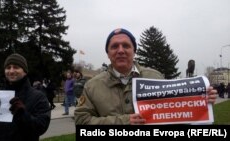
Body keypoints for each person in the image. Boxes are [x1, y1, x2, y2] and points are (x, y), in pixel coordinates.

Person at [74, 28, 217, 125]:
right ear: (108, 53)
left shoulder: (154, 77)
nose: (120, 50)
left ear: (134, 51)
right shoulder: (92, 86)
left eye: (126, 45)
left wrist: (201, 98)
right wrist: (124, 122)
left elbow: (174, 111)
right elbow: (81, 119)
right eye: (114, 46)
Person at [0, 53, 51, 141]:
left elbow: (41, 127)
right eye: (8, 67)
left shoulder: (39, 97)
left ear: (25, 71)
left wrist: (23, 115)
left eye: (16, 67)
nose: (11, 71)